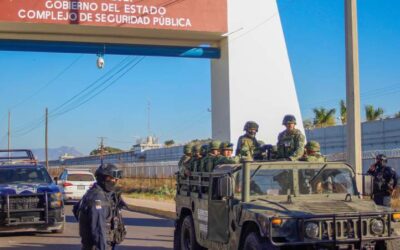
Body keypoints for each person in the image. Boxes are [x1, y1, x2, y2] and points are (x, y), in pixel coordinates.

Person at [74, 164, 126, 250]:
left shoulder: (95, 192)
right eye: (112, 178)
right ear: (103, 178)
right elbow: (99, 229)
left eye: (116, 179)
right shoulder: (98, 198)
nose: (115, 181)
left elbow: (76, 209)